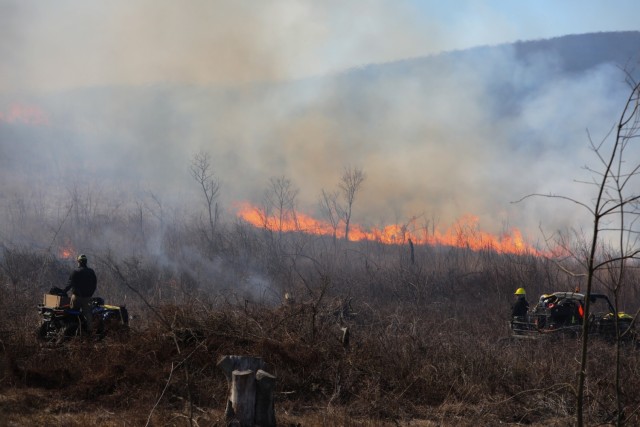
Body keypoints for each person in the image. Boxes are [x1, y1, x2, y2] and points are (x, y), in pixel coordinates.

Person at [64, 254, 97, 335]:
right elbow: (94, 284)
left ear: (79, 262)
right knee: (88, 314)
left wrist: (63, 291)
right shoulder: (91, 272)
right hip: (87, 298)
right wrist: (90, 294)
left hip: (76, 297)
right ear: (86, 262)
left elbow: (69, 284)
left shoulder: (75, 272)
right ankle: (89, 333)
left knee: (73, 313)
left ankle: (72, 329)